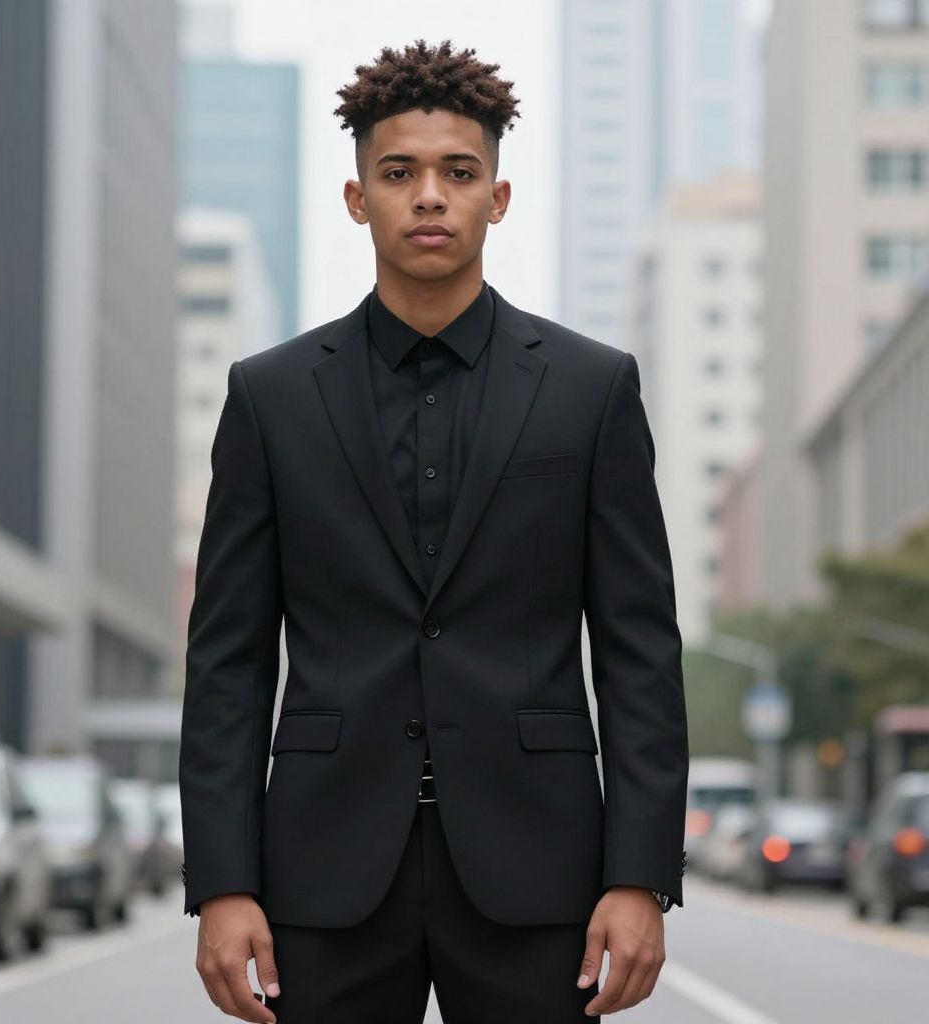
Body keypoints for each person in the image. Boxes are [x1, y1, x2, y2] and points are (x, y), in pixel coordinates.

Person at [179, 38, 689, 1024]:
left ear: (496, 199)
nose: (428, 196)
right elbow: (228, 661)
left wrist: (640, 875)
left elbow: (637, 652)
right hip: (321, 870)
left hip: (539, 867)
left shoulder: (590, 389)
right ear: (356, 196)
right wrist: (222, 881)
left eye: (458, 173)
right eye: (398, 172)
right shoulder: (270, 396)